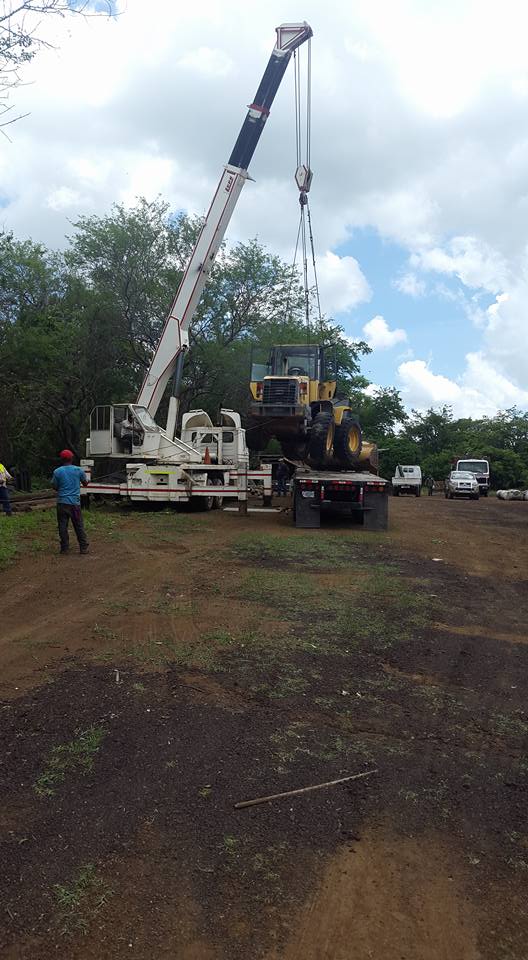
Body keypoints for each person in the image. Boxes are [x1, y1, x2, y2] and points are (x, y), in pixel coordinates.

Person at [51, 450, 89, 555]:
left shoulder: (57, 471)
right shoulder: (78, 470)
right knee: (78, 525)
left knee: (62, 526)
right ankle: (83, 547)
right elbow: (85, 483)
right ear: (72, 458)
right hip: (75, 504)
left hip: (62, 503)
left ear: (62, 459)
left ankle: (64, 548)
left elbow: (54, 486)